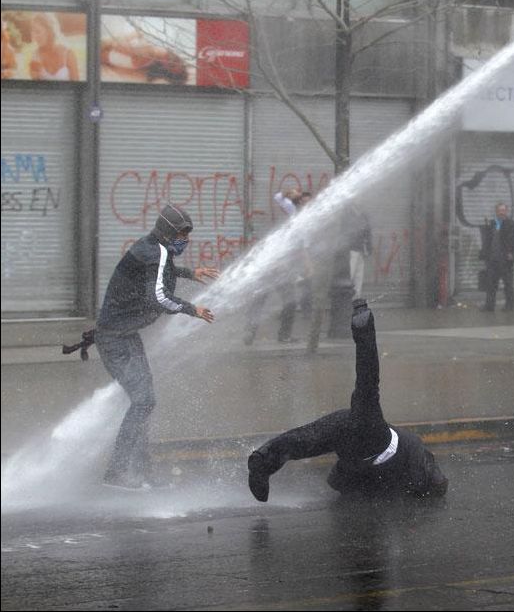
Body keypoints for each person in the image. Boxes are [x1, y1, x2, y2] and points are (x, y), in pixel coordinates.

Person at [247, 299, 448, 501]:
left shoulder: (407, 456)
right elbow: (437, 483)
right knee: (364, 393)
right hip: (373, 442)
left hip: (353, 437)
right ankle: (365, 332)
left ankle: (264, 460)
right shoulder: (418, 465)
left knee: (307, 438)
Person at [95, 204, 218, 489]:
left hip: (123, 335)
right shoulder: (157, 251)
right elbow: (158, 297)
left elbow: (159, 272)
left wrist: (189, 273)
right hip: (115, 339)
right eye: (182, 234)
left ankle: (141, 471)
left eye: (187, 234)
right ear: (168, 232)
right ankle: (117, 472)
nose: (186, 239)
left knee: (144, 402)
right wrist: (192, 309)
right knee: (143, 401)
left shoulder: (152, 246)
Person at [244, 187, 313, 345]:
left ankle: (281, 335)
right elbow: (278, 197)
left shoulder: (303, 221)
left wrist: (308, 265)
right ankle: (250, 332)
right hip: (272, 266)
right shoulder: (292, 212)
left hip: (282, 268)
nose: (307, 206)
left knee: (288, 301)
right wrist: (289, 192)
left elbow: (302, 247)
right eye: (303, 202)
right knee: (260, 299)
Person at [479, 202, 514, 311]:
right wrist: (485, 255)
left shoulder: (511, 224)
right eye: (499, 210)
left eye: (503, 210)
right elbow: (487, 240)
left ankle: (509, 305)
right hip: (493, 260)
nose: (501, 212)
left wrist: (512, 253)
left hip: (505, 260)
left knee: (508, 284)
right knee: (491, 285)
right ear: (496, 212)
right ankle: (489, 306)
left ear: (506, 211)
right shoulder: (493, 224)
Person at [28, 13, 79, 81]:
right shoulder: (35, 57)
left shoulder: (68, 54)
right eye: (33, 32)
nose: (34, 36)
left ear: (49, 31)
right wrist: (34, 77)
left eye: (37, 31)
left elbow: (77, 85)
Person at [346, 204, 373, 299]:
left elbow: (368, 232)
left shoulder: (363, 215)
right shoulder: (349, 216)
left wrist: (368, 248)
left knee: (358, 275)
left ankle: (356, 296)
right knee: (352, 273)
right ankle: (348, 297)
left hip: (360, 250)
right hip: (353, 250)